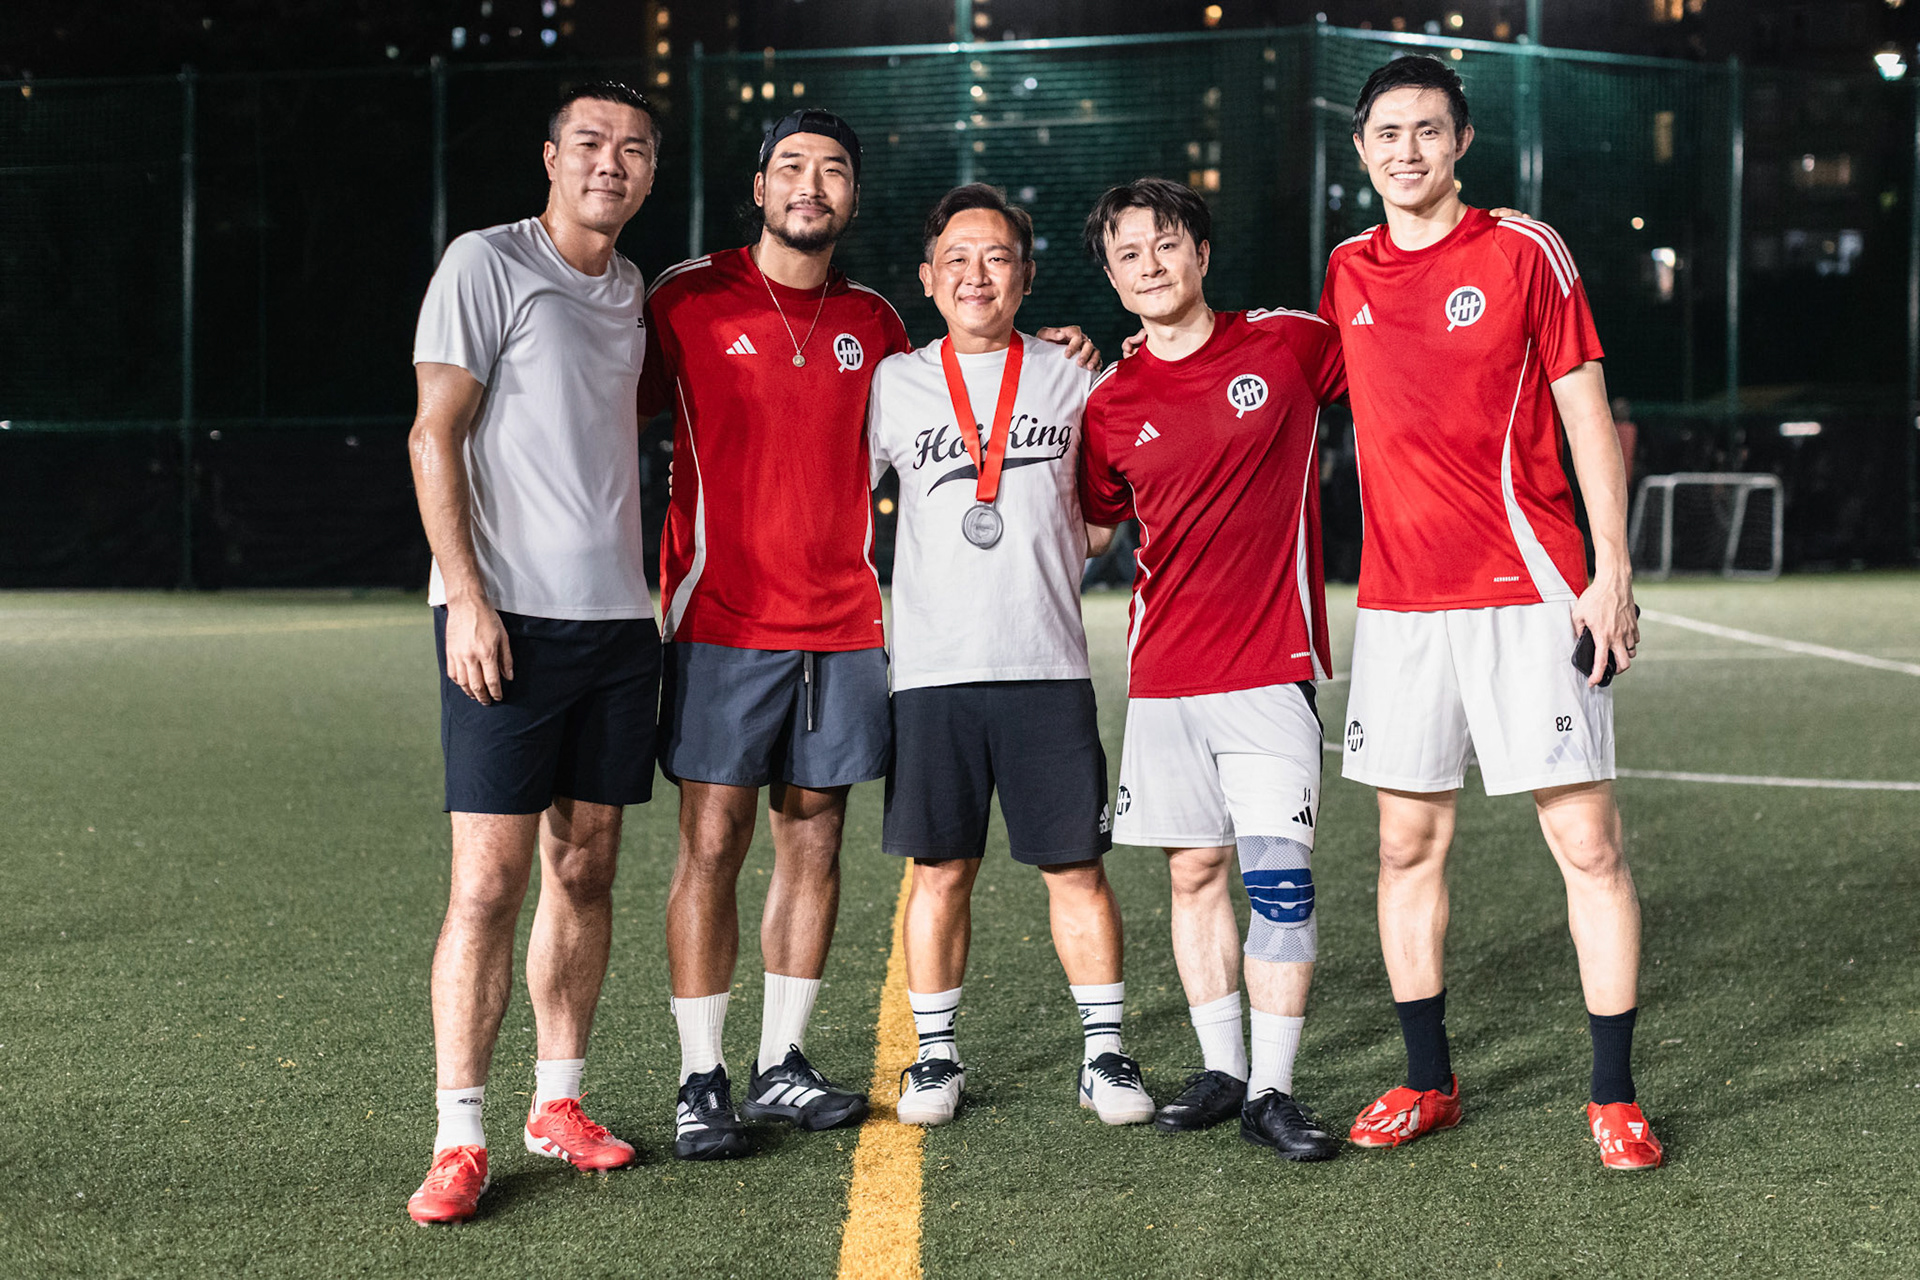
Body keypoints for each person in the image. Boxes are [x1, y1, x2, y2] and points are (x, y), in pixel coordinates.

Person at [638, 111, 1101, 1159]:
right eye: (792, 167)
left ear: (852, 198)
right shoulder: (686, 297)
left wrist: (1063, 342)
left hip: (847, 623)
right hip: (722, 617)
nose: (812, 185)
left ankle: (780, 1060)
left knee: (815, 840)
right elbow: (600, 411)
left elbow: (971, 383)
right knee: (712, 843)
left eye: (834, 170)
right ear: (758, 186)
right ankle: (699, 1074)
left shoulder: (879, 322)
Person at [1321, 55, 1660, 1170]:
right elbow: (1279, 365)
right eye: (1387, 134)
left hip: (1531, 592)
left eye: (1429, 131)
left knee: (1587, 840)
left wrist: (1611, 567)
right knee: (1405, 843)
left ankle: (1611, 1094)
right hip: (1405, 605)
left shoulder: (1524, 250)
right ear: (1360, 148)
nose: (1407, 151)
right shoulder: (1345, 270)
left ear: (1463, 141)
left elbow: (1587, 410)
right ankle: (1429, 1078)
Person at [404, 82, 661, 1225]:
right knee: (490, 882)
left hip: (617, 624)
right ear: (551, 154)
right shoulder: (486, 262)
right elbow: (432, 432)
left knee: (588, 868)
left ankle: (557, 1101)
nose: (613, 163)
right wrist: (466, 596)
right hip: (505, 619)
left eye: (636, 149)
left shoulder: (635, 287)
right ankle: (460, 1130)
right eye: (593, 143)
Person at [868, 183, 1150, 1128]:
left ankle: (1105, 1054)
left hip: (1047, 666)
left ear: (1026, 276)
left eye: (996, 257)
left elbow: (1109, 518)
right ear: (928, 278)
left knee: (1074, 867)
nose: (976, 274)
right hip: (933, 674)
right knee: (941, 869)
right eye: (957, 259)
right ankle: (934, 1059)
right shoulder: (894, 381)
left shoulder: (1075, 375)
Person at [1079, 178, 1346, 1162]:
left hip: (1270, 666)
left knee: (1280, 881)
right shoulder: (1110, 404)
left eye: (1165, 245)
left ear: (1200, 251)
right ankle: (1225, 1067)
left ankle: (1275, 1088)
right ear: (1111, 277)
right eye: (1128, 255)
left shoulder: (1287, 345)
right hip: (1162, 676)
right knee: (1192, 871)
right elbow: (1096, 518)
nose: (1151, 266)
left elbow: (1394, 384)